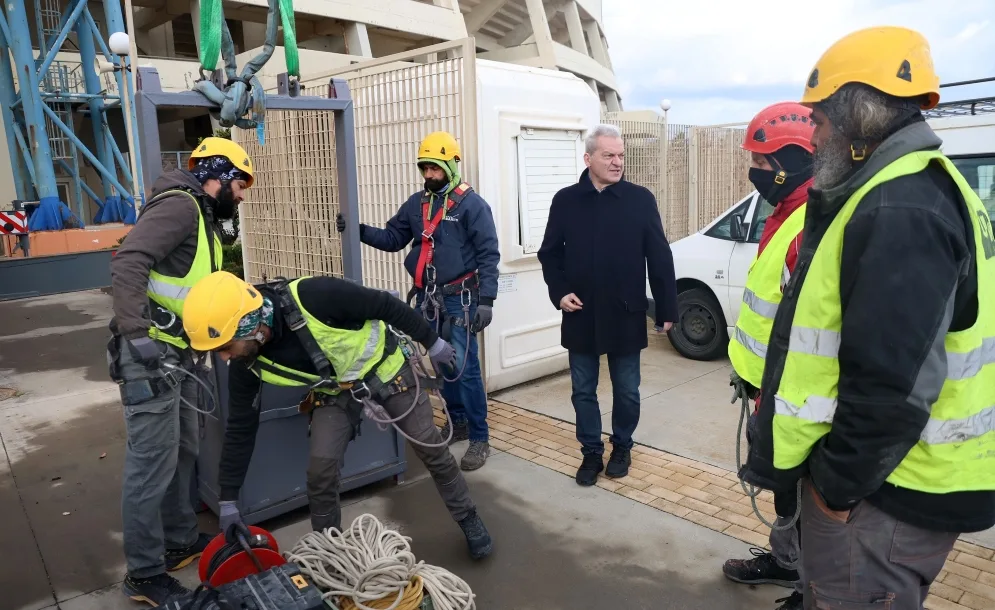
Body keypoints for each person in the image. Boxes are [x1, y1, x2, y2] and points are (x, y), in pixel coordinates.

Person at [739, 25, 995, 610]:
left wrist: (834, 490)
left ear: (859, 116)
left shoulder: (899, 205)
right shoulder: (909, 188)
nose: (814, 138)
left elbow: (892, 385)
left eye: (819, 122)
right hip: (894, 483)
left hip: (888, 493)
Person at [180, 270, 494, 561]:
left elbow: (385, 305)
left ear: (249, 324)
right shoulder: (246, 364)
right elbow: (240, 428)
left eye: (226, 346)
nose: (224, 357)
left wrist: (432, 342)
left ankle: (468, 517)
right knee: (321, 471)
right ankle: (330, 553)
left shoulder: (314, 296)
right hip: (337, 390)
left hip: (387, 370)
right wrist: (228, 500)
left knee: (431, 448)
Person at [107, 137, 254, 605]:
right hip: (151, 356)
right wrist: (137, 333)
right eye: (240, 184)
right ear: (219, 177)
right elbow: (130, 260)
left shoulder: (202, 217)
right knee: (150, 465)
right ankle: (144, 572)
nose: (242, 195)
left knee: (183, 450)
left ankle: (179, 541)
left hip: (180, 357)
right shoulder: (180, 207)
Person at [336, 131, 501, 471]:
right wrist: (358, 230)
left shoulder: (472, 206)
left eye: (435, 168)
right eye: (424, 168)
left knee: (466, 369)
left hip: (461, 300)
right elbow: (393, 238)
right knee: (441, 363)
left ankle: (480, 437)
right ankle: (458, 421)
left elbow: (488, 253)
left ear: (451, 166)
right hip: (429, 299)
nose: (429, 174)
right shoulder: (417, 204)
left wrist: (487, 300)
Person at [536, 124, 678, 487]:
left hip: (626, 313)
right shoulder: (566, 201)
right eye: (609, 155)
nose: (617, 162)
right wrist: (560, 292)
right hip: (580, 313)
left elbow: (659, 257)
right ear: (588, 158)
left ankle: (622, 446)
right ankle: (590, 452)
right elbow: (549, 254)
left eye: (621, 156)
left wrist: (667, 308)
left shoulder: (640, 200)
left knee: (627, 390)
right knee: (583, 391)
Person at [722, 101, 815, 610]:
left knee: (806, 499)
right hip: (767, 389)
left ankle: (810, 589)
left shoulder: (811, 223)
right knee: (785, 492)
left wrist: (777, 392)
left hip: (793, 397)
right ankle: (786, 562)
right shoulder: (785, 212)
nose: (753, 172)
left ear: (791, 163)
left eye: (761, 162)